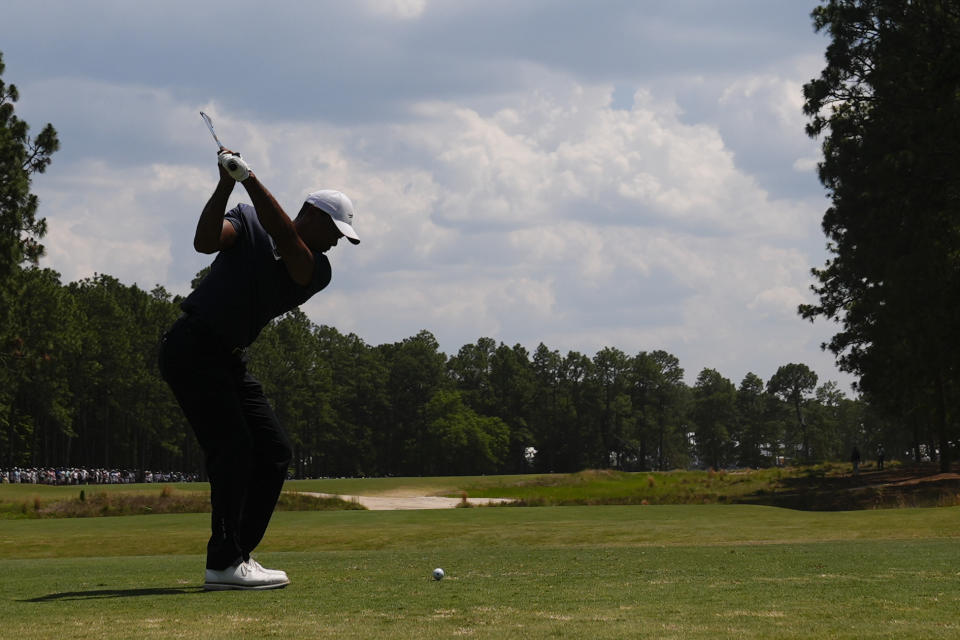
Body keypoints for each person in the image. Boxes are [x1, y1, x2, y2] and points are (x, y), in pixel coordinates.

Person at [159, 149, 359, 590]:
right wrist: (226, 183)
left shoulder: (317, 269)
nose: (337, 242)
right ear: (312, 215)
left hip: (225, 357)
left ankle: (235, 556)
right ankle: (225, 563)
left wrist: (249, 177)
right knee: (233, 449)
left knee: (273, 452)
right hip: (191, 347)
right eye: (336, 231)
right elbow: (205, 241)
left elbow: (288, 242)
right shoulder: (247, 221)